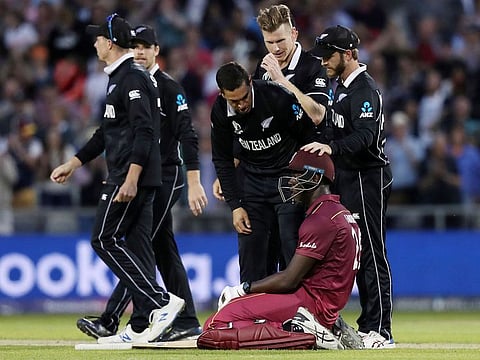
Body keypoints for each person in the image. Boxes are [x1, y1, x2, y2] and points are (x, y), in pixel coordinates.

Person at [50, 14, 185, 344]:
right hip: (132, 173)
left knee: (103, 239)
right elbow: (106, 133)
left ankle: (159, 302)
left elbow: (145, 131)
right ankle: (140, 326)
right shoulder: (121, 78)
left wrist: (131, 177)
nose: (94, 43)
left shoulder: (132, 79)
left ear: (110, 43)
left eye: (98, 38)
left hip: (130, 175)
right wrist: (75, 162)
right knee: (138, 249)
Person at [76, 24, 208, 342]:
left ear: (156, 51)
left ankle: (123, 320)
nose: (139, 51)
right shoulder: (129, 82)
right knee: (160, 249)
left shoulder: (168, 87)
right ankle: (185, 319)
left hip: (167, 176)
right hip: (146, 175)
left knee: (139, 244)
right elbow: (111, 133)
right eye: (134, 45)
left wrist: (193, 181)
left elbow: (188, 135)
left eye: (145, 46)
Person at [197, 151, 363, 350]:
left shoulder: (320, 219)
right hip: (323, 304)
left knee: (214, 328)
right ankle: (305, 327)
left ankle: (308, 334)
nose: (291, 181)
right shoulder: (340, 213)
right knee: (228, 321)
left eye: (296, 174)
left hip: (309, 303)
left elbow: (289, 279)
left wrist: (243, 289)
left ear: (315, 176)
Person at [212, 4, 330, 275]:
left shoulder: (313, 67)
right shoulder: (262, 70)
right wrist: (233, 164)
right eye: (269, 42)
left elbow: (317, 116)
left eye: (280, 40)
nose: (275, 48)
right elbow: (255, 128)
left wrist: (282, 81)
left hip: (302, 173)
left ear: (295, 34)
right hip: (262, 174)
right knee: (263, 250)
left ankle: (308, 312)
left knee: (295, 250)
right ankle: (264, 315)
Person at [305, 25, 395, 348]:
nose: (323, 62)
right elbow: (334, 129)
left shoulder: (364, 89)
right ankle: (368, 323)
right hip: (348, 176)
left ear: (348, 54)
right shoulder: (340, 87)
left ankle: (381, 330)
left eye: (328, 56)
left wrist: (333, 149)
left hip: (367, 177)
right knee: (358, 253)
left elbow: (365, 137)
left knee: (372, 251)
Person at [211, 61, 317, 283]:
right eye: (234, 101)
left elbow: (309, 137)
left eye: (244, 97)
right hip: (252, 184)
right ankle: (253, 315)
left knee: (292, 248)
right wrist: (235, 206)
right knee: (251, 252)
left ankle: (300, 312)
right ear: (222, 95)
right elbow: (222, 159)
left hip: (288, 181)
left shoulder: (277, 97)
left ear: (250, 81)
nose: (241, 105)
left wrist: (308, 180)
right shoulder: (220, 111)